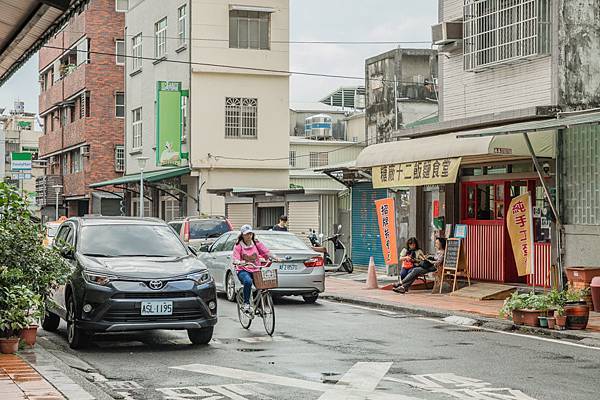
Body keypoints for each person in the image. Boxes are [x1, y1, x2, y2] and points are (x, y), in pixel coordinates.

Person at [232, 225, 277, 312]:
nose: (249, 236)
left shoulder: (256, 243)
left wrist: (275, 257)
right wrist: (239, 262)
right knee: (248, 281)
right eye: (246, 234)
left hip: (256, 269)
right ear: (242, 235)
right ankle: (246, 304)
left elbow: (266, 251)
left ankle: (260, 306)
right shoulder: (238, 246)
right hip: (243, 270)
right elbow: (235, 258)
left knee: (263, 286)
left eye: (250, 234)